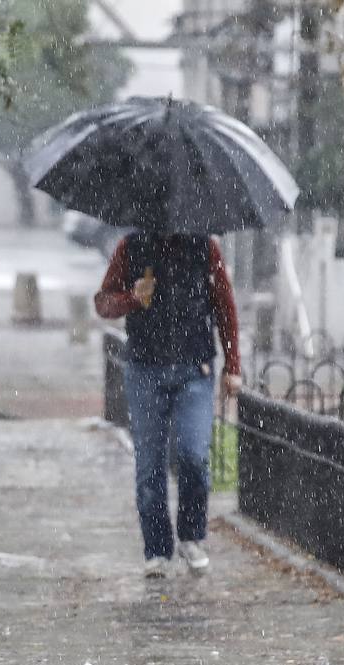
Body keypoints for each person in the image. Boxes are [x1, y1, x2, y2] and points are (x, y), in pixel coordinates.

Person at [95, 231, 241, 576]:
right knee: (150, 464)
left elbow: (224, 306)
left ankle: (191, 535)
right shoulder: (132, 247)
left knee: (193, 454)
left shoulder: (205, 248)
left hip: (195, 368)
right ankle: (157, 548)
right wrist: (132, 298)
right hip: (145, 370)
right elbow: (103, 302)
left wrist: (233, 366)